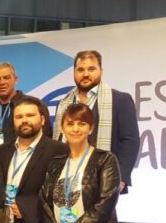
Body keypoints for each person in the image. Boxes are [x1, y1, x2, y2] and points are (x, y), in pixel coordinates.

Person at [53, 50, 140, 194]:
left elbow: (130, 141)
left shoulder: (120, 100)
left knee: (102, 216)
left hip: (105, 179)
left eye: (91, 69)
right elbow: (58, 141)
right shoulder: (63, 103)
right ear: (74, 72)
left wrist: (121, 178)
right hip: (67, 176)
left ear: (101, 71)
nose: (85, 74)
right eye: (80, 69)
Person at [0, 62, 51, 149]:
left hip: (25, 159)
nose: (2, 82)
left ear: (16, 79)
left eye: (6, 78)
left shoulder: (34, 105)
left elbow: (46, 137)